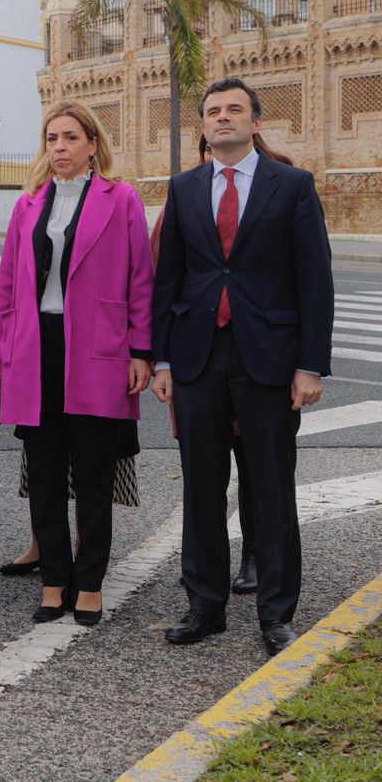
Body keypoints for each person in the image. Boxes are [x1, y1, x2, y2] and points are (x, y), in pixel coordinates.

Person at [153, 78, 334, 656]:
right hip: (198, 358)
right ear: (203, 127)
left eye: (234, 110)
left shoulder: (293, 186)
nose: (222, 117)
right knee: (202, 489)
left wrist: (310, 365)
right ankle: (204, 606)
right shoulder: (183, 190)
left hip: (270, 360)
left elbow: (315, 280)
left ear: (256, 122)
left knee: (272, 491)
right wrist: (161, 359)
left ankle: (276, 615)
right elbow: (169, 281)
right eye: (213, 112)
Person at [0, 103, 153, 627]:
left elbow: (140, 282)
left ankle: (90, 583)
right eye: (51, 138)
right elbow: (7, 288)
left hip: (98, 347)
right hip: (35, 346)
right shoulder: (28, 204)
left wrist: (141, 351)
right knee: (43, 472)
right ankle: (54, 580)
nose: (58, 147)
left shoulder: (121, 198)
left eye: (69, 138)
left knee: (93, 474)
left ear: (91, 144)